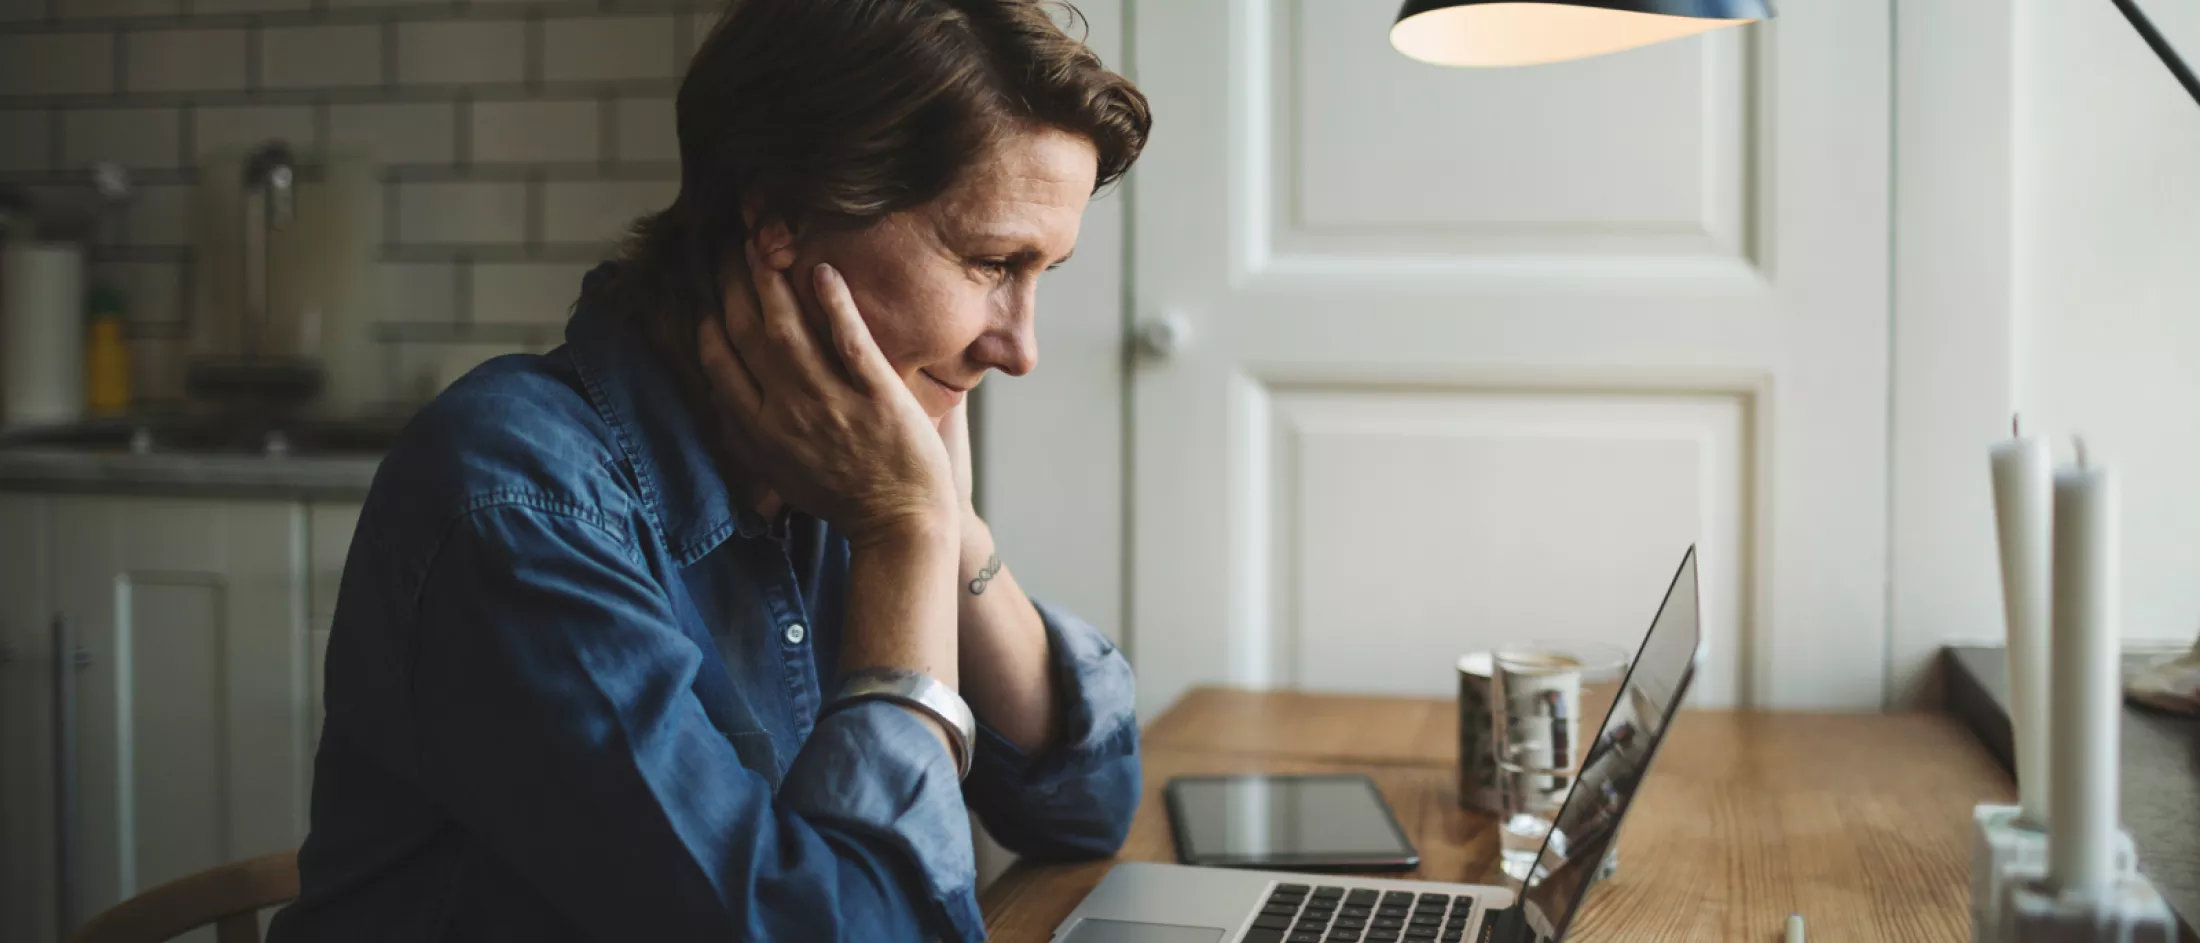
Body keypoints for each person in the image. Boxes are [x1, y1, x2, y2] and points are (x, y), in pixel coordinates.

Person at [267, 1, 1151, 939]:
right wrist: (905, 537)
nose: (1021, 350)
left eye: (1042, 271)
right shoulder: (517, 504)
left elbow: (1085, 803)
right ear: (780, 218)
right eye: (990, 262)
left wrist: (952, 527)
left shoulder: (838, 466)